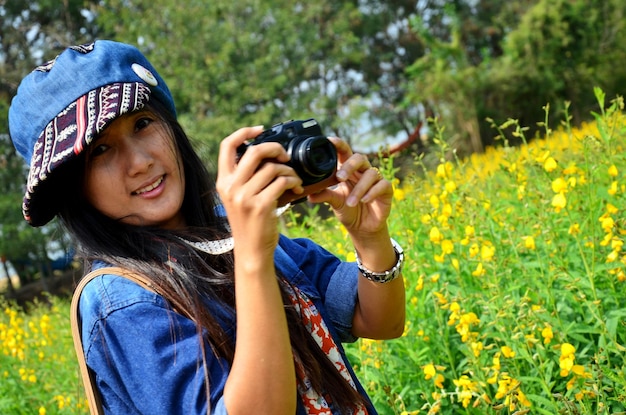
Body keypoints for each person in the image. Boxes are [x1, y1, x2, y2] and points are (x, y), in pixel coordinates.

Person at [8, 40, 406, 415]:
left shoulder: (229, 231)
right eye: (101, 150)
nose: (140, 162)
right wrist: (252, 258)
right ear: (74, 190)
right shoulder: (122, 299)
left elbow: (380, 322)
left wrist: (370, 238)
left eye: (143, 123)